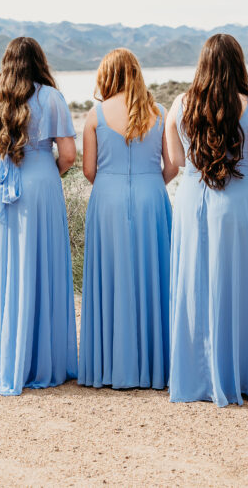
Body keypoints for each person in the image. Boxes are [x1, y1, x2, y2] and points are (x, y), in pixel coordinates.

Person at [164, 34, 248, 406]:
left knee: (195, 285)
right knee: (240, 285)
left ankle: (198, 377)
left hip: (192, 200)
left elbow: (178, 160)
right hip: (237, 201)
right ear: (238, 64)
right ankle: (243, 376)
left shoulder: (180, 104)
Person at [0, 37, 77, 395]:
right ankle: (39, 359)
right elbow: (69, 155)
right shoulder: (52, 97)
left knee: (1, 268)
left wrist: (5, 168)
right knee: (39, 266)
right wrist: (44, 172)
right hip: (41, 185)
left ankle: (0, 358)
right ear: (39, 62)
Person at [78, 48, 176, 389]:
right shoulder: (159, 112)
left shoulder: (95, 115)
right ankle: (156, 366)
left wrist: (112, 183)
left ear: (107, 76)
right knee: (154, 277)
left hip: (107, 200)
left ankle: (112, 365)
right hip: (152, 198)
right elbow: (173, 165)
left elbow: (88, 169)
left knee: (112, 275)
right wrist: (150, 182)